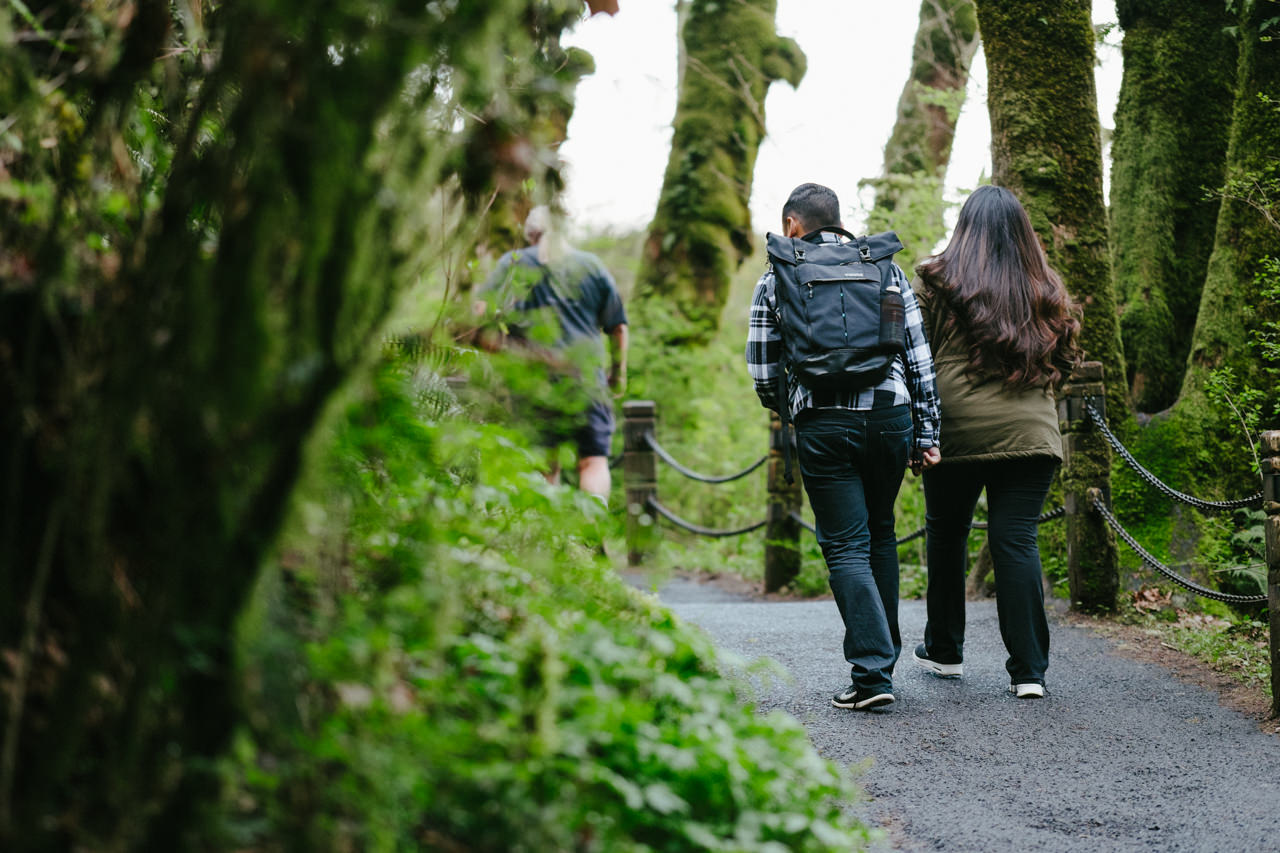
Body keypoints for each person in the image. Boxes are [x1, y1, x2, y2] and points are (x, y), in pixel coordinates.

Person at [747, 182, 941, 711]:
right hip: (889, 417)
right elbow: (918, 356)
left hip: (824, 420)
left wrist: (788, 405)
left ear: (792, 225)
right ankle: (884, 657)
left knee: (845, 545)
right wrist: (928, 433)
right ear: (839, 220)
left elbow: (762, 367)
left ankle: (873, 675)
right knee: (880, 531)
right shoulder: (885, 268)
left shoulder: (778, 275)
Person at [909, 184, 1081, 699]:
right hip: (1030, 431)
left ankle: (945, 651)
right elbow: (1067, 357)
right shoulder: (1044, 284)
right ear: (1023, 232)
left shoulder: (935, 279)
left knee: (945, 532)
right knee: (1016, 539)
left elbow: (913, 350)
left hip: (954, 428)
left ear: (964, 227)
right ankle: (1029, 670)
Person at [475, 206, 628, 501]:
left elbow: (480, 312)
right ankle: (591, 531)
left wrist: (498, 347)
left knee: (544, 462)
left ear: (531, 234)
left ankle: (546, 540)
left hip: (534, 380)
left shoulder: (514, 263)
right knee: (593, 460)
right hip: (586, 379)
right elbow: (618, 327)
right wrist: (618, 374)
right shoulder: (592, 266)